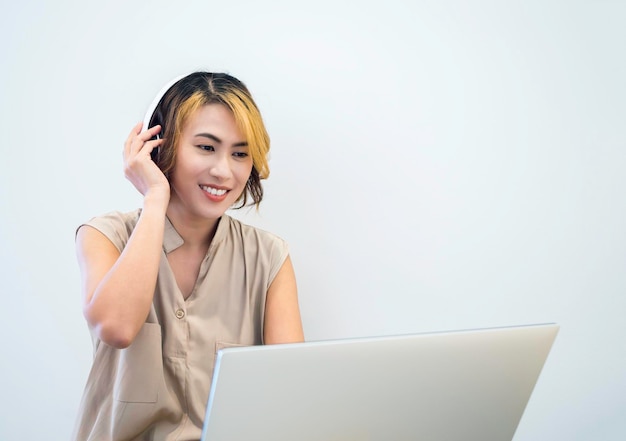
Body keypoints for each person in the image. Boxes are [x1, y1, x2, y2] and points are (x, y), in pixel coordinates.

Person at [72, 71, 305, 441]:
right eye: (206, 147)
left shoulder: (269, 256)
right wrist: (154, 197)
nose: (224, 171)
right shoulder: (105, 236)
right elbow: (115, 328)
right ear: (160, 147)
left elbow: (291, 393)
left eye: (240, 153)